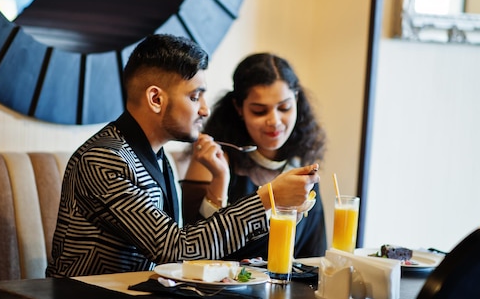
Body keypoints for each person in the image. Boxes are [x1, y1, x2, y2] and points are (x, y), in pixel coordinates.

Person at [46, 34, 320, 277]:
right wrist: (266, 199)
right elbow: (175, 249)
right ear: (156, 99)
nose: (205, 110)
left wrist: (221, 183)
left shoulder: (159, 159)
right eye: (194, 97)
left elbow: (192, 245)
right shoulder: (104, 159)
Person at [182, 52, 327, 260]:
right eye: (260, 111)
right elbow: (192, 252)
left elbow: (314, 255)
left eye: (284, 108)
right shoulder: (212, 160)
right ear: (239, 108)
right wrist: (220, 181)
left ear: (296, 99)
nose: (275, 121)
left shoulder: (302, 165)